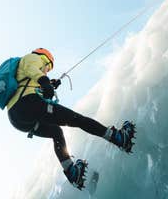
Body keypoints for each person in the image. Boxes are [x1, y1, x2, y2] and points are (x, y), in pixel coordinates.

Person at [7, 48, 136, 190]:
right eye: (48, 67)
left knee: (56, 132)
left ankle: (72, 172)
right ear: (46, 57)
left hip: (18, 119)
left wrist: (48, 85)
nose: (47, 70)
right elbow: (32, 69)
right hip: (27, 104)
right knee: (77, 119)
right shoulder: (33, 58)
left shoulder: (22, 77)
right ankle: (118, 138)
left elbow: (32, 87)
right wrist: (44, 81)